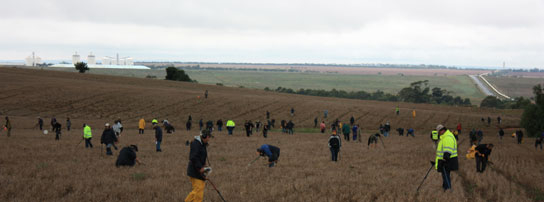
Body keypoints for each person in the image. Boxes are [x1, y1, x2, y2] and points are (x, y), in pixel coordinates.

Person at [185, 130, 212, 202]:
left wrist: (204, 166)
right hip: (195, 170)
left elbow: (199, 156)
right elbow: (193, 157)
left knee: (198, 190)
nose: (209, 139)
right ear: (204, 136)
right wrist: (200, 167)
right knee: (198, 190)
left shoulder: (202, 144)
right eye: (208, 137)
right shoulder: (196, 144)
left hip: (198, 170)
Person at [434, 124, 458, 191]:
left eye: (438, 132)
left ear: (442, 130)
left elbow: (448, 149)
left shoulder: (447, 137)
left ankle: (448, 189)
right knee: (445, 175)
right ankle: (445, 188)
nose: (438, 133)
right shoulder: (445, 137)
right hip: (446, 160)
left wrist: (445, 158)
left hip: (447, 160)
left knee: (446, 175)